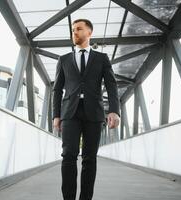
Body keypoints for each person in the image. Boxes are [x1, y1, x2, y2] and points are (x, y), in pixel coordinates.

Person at [52, 19, 120, 200]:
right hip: (69, 113)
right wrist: (56, 115)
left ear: (89, 32)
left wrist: (114, 110)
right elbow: (57, 89)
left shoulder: (101, 58)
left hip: (94, 113)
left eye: (79, 29)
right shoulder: (64, 59)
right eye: (73, 30)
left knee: (89, 158)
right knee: (68, 156)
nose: (74, 32)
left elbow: (112, 85)